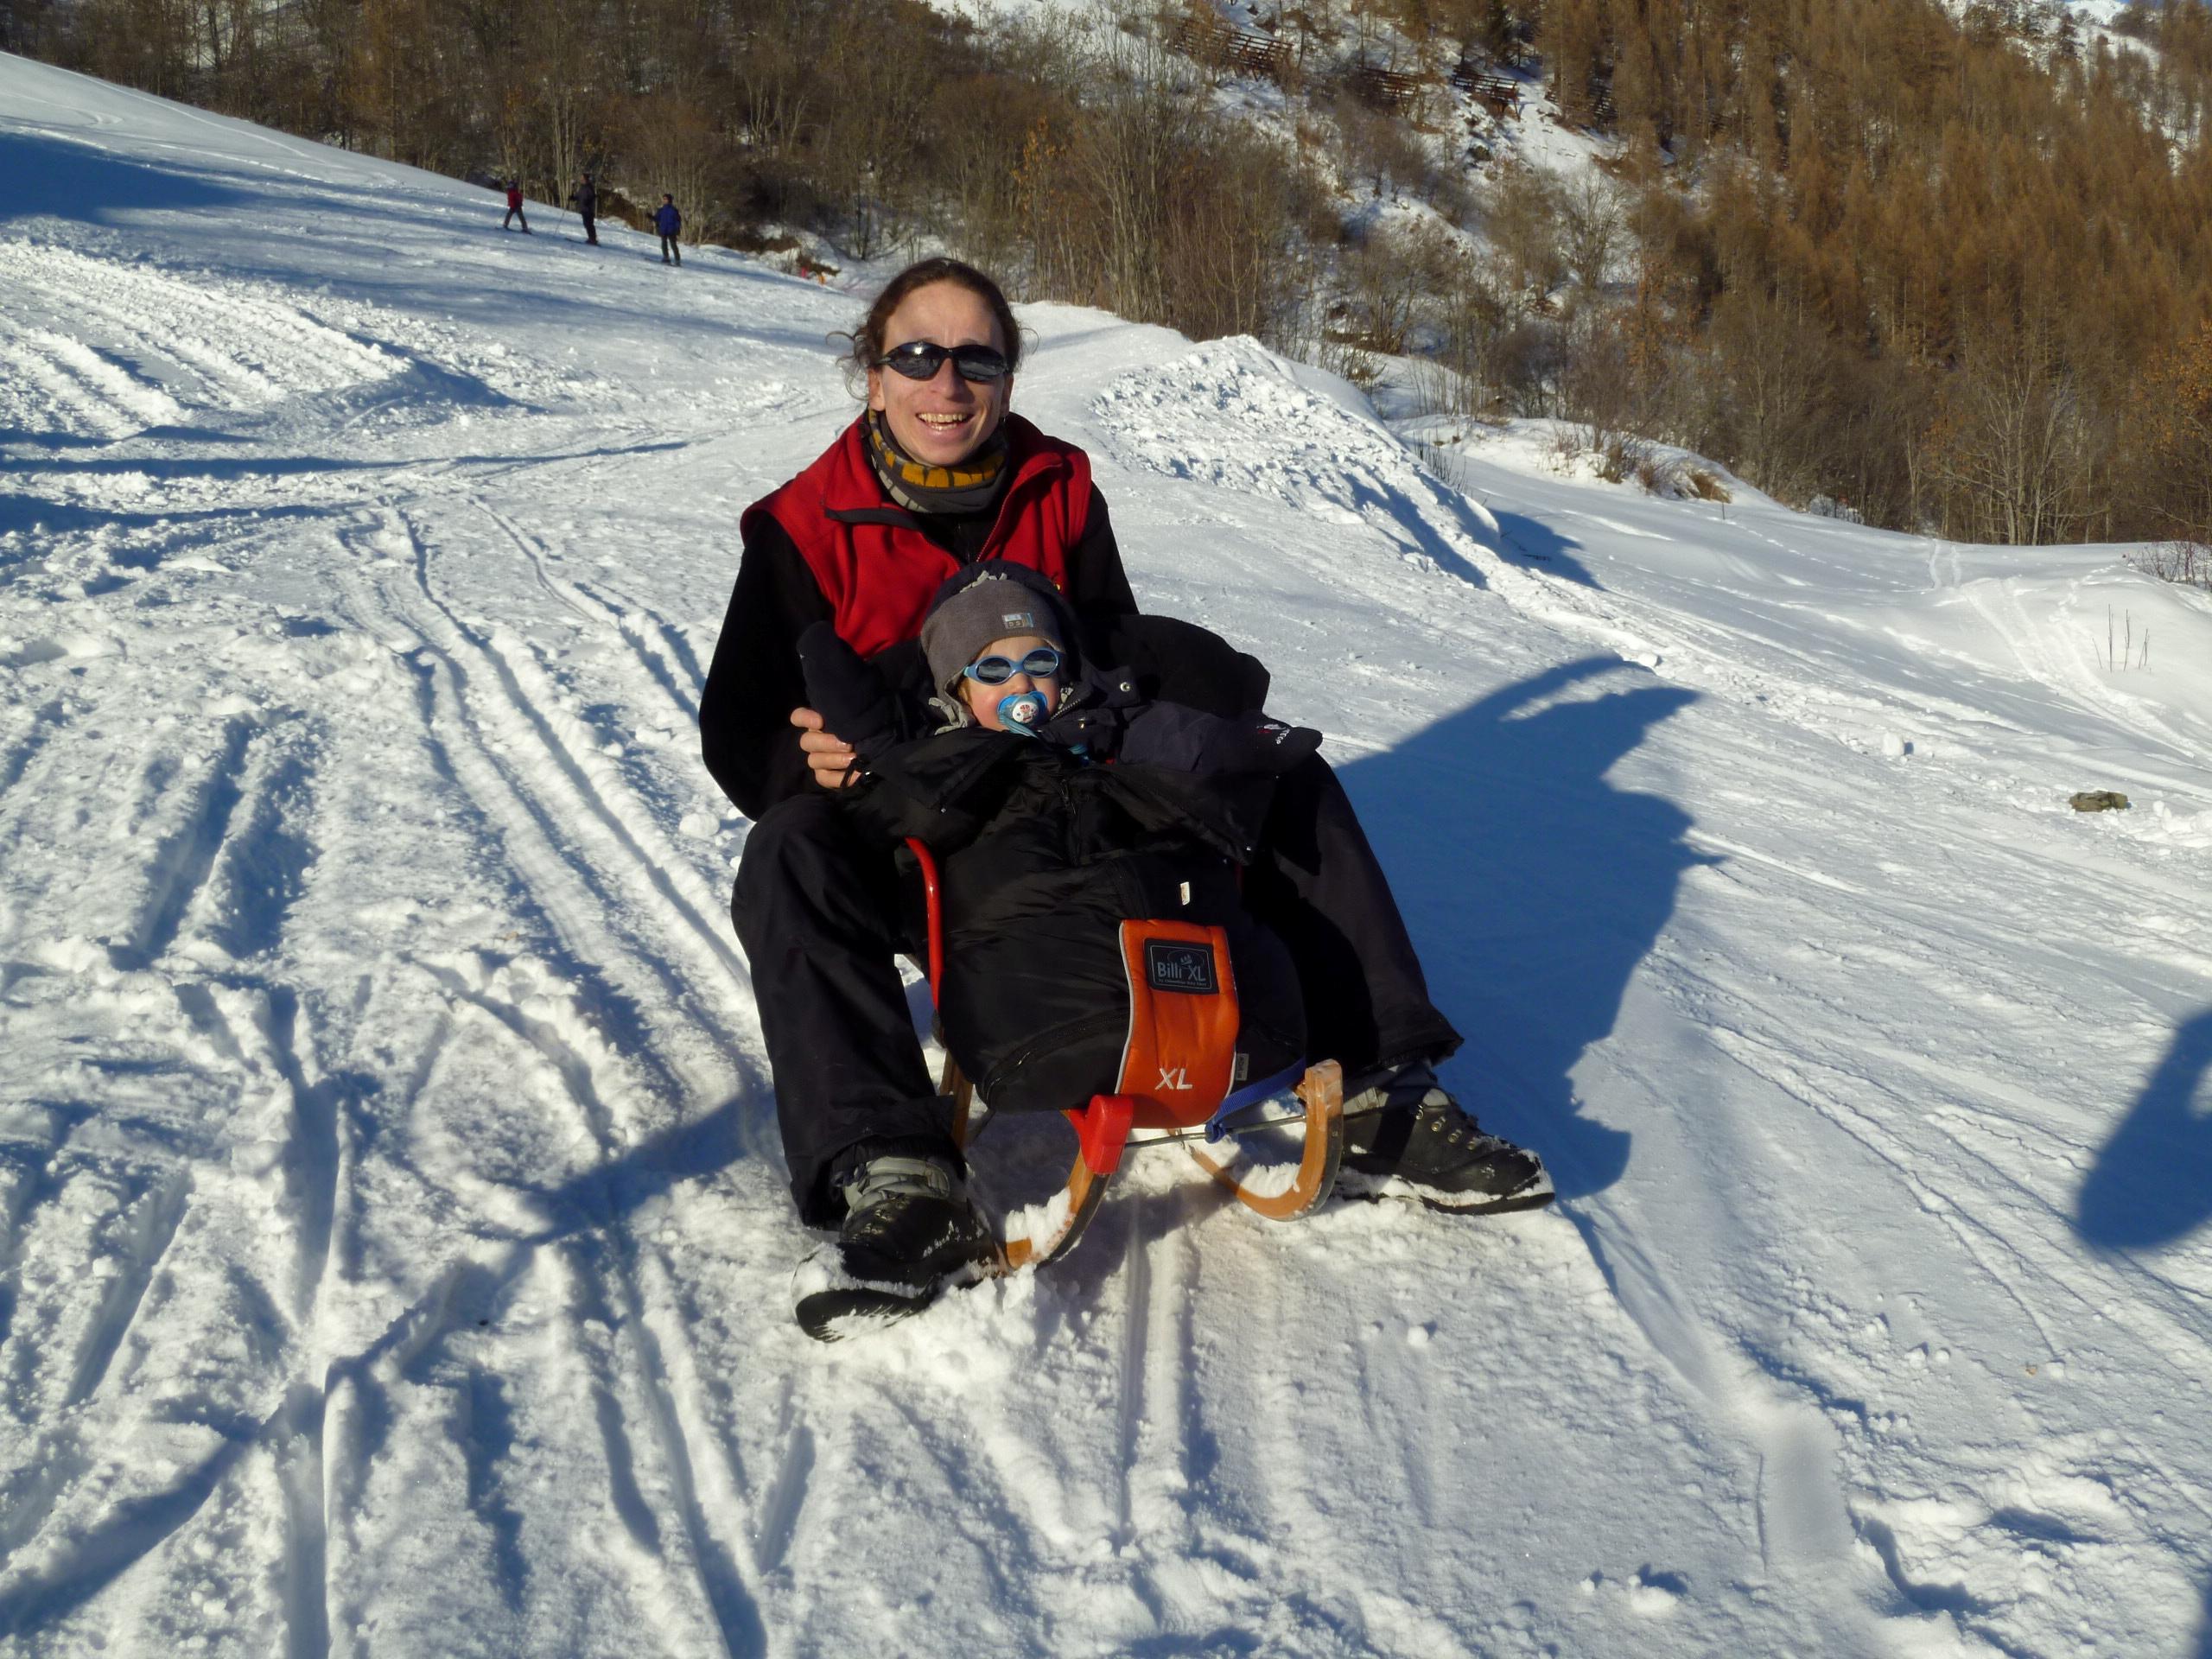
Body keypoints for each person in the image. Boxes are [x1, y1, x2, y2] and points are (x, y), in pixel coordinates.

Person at [699, 257, 1549, 1316]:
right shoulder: (803, 523)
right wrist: (812, 762)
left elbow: (1113, 642)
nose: (946, 384)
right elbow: (739, 729)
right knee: (788, 850)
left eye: (975, 360)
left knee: (1284, 781)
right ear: (874, 377)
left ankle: (1383, 1093)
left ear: (1007, 376)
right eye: (916, 356)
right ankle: (895, 1171)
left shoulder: (1055, 487)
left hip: (1066, 798)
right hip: (917, 826)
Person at [786, 562, 1322, 1330]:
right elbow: (878, 756)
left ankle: (1223, 1027)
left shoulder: (1114, 728)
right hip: (1040, 982)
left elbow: (1200, 740)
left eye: (1039, 663)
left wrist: (1256, 742)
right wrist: (849, 704)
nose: (1023, 686)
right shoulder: (949, 755)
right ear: (956, 689)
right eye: (993, 671)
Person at [569, 171, 598, 245]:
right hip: (583, 209)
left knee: (589, 224)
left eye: (582, 178)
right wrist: (573, 198)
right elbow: (579, 197)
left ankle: (593, 239)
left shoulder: (589, 187)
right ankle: (591, 238)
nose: (581, 179)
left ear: (586, 179)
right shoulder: (582, 188)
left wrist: (588, 202)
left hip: (589, 209)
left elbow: (593, 196)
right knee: (586, 224)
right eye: (581, 178)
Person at [655, 194, 681, 264]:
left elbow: (678, 221)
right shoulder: (661, 210)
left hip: (671, 230)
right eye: (663, 199)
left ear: (669, 200)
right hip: (663, 230)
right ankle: (666, 257)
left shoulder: (673, 210)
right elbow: (657, 219)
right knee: (664, 244)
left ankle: (677, 260)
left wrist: (677, 229)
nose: (664, 200)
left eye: (665, 199)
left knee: (673, 245)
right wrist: (650, 217)